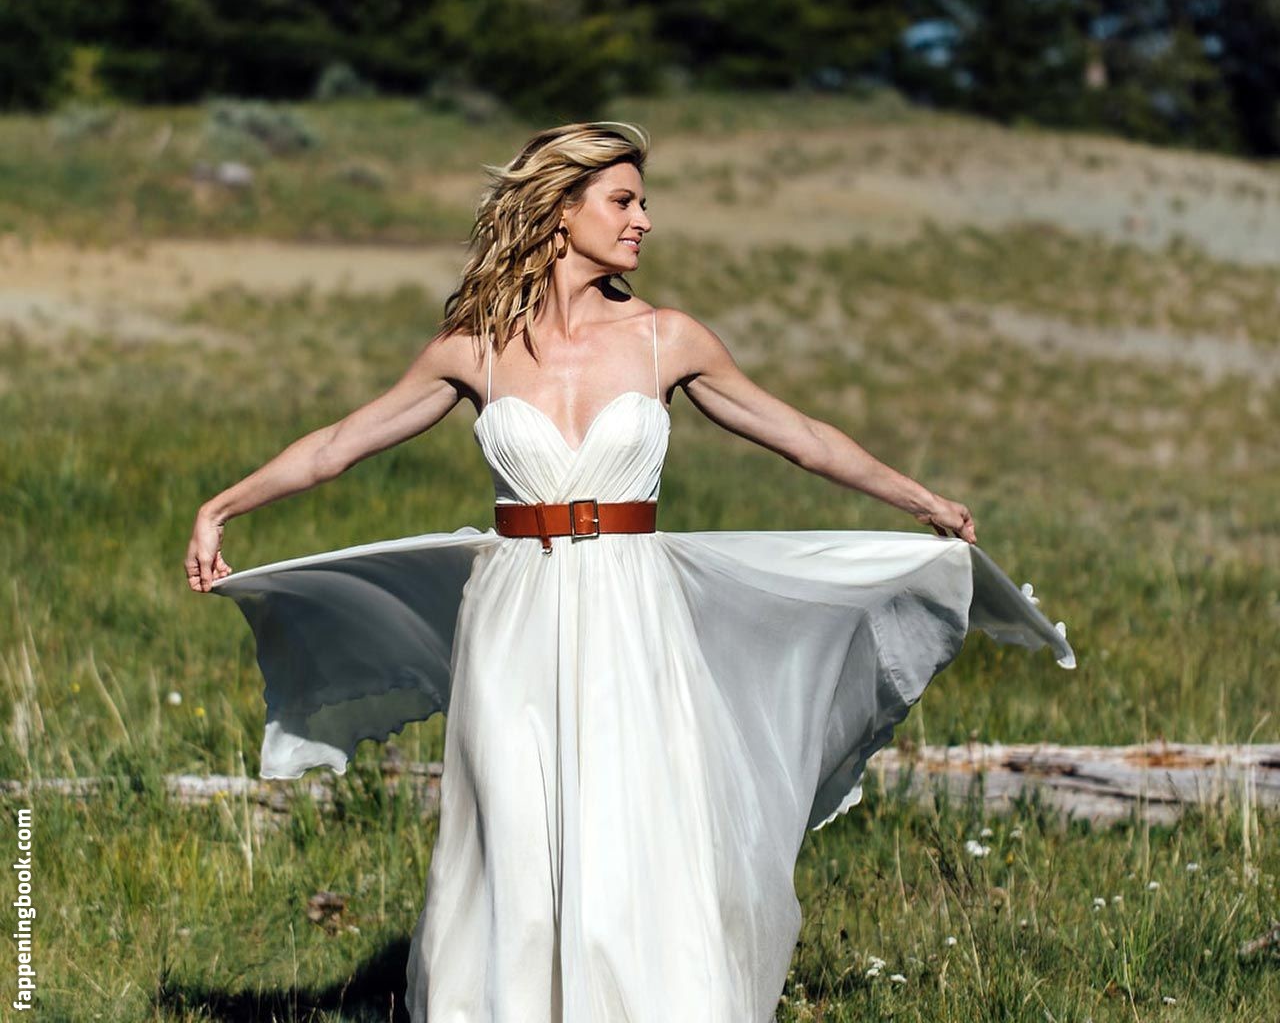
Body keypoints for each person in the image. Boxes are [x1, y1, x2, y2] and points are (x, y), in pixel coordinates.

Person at [186, 120, 1074, 1022]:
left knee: (632, 822)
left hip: (632, 610)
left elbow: (801, 436)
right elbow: (339, 444)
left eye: (643, 202)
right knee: (514, 827)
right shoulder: (474, 346)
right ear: (559, 210)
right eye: (623, 200)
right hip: (513, 616)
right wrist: (223, 506)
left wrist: (918, 498)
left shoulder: (667, 339)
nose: (643, 219)